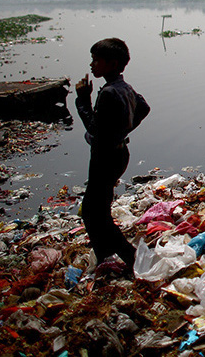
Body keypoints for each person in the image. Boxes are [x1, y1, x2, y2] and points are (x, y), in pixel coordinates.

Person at [75, 38, 150, 275]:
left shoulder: (108, 93)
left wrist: (82, 101)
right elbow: (144, 107)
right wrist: (124, 129)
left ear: (112, 63)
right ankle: (104, 256)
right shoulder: (123, 87)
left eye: (97, 60)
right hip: (119, 153)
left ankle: (130, 257)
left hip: (104, 158)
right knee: (97, 208)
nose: (92, 65)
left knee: (93, 212)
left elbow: (95, 130)